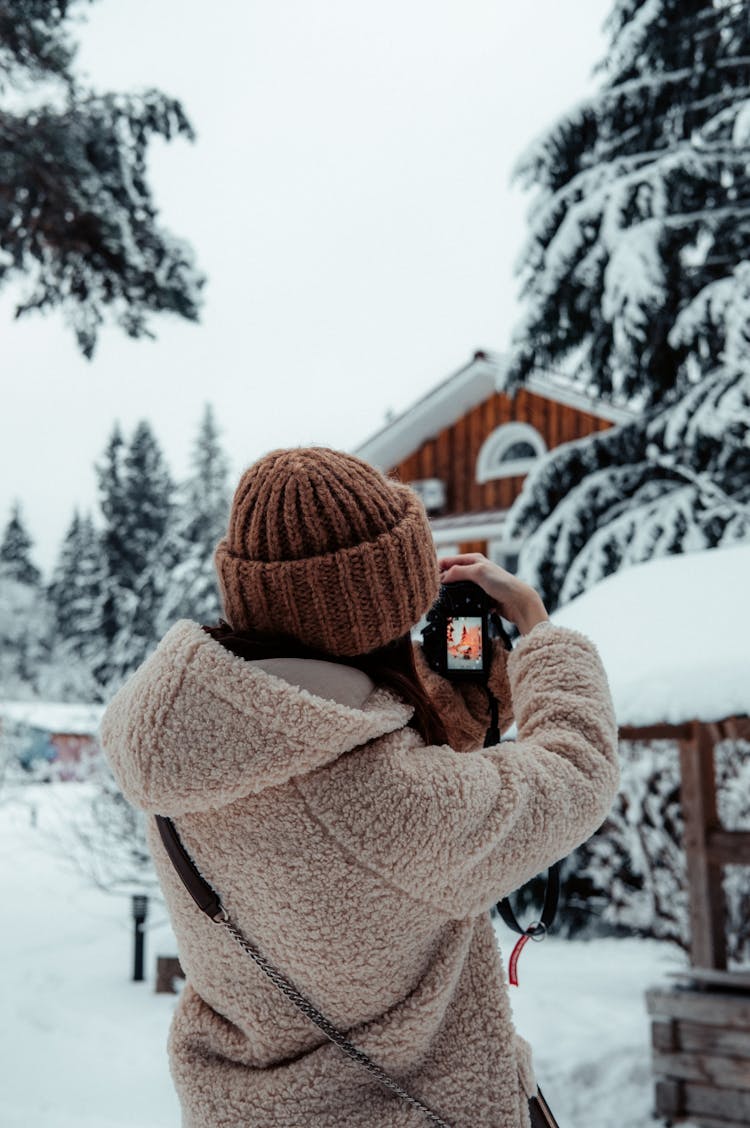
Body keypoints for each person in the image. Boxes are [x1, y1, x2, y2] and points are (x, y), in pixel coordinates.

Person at [100, 446, 620, 1128]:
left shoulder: (193, 743)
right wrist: (540, 627)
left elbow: (334, 782)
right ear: (389, 603)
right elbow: (577, 769)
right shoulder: (393, 804)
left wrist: (447, 710)